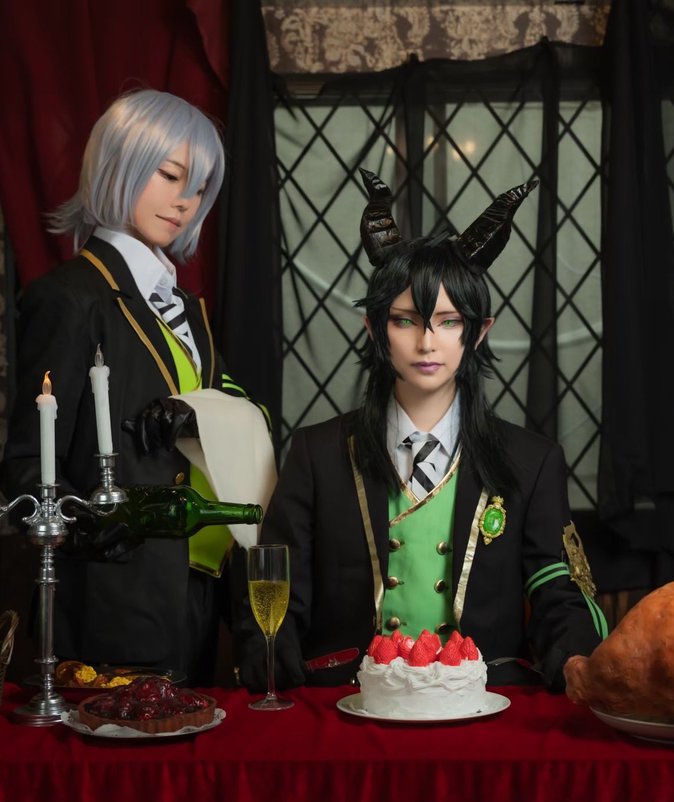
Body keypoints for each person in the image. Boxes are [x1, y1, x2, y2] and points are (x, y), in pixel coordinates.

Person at [235, 169, 608, 692]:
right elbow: (279, 595)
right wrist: (270, 661)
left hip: (483, 705)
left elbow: (558, 592)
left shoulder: (531, 460)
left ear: (478, 333)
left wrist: (575, 661)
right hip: (350, 704)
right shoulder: (317, 455)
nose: (427, 342)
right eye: (405, 320)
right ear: (374, 329)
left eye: (449, 321)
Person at [0, 89, 248, 687]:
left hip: (199, 594)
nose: (185, 201)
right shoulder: (68, 299)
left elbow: (241, 414)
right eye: (170, 175)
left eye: (199, 187)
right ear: (119, 164)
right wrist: (87, 524)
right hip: (110, 602)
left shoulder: (189, 310)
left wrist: (208, 418)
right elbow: (27, 465)